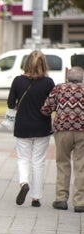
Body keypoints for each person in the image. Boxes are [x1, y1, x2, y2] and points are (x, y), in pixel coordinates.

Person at [7, 50, 55, 208]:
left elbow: (10, 103)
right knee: (38, 161)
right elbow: (53, 104)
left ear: (26, 63)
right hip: (42, 126)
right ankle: (36, 197)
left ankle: (24, 183)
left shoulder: (18, 81)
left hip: (22, 126)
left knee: (23, 158)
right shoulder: (48, 83)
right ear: (44, 65)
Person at [41, 66, 84, 213]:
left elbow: (46, 108)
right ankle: (79, 202)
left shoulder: (59, 88)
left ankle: (61, 199)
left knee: (62, 163)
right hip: (82, 132)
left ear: (68, 77)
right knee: (81, 166)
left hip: (62, 130)